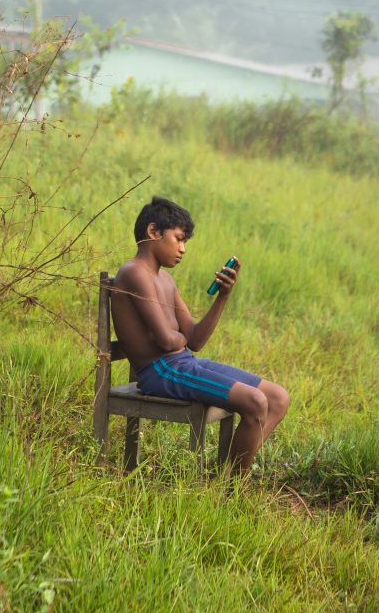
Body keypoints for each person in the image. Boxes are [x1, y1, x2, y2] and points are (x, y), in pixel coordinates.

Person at [111, 196, 289, 475]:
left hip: (184, 363)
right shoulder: (134, 272)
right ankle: (230, 491)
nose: (182, 249)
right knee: (255, 401)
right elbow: (166, 340)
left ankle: (227, 474)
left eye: (185, 243)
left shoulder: (166, 280)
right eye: (179, 239)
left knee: (277, 398)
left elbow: (193, 339)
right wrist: (178, 338)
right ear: (153, 232)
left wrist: (222, 297)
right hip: (160, 371)